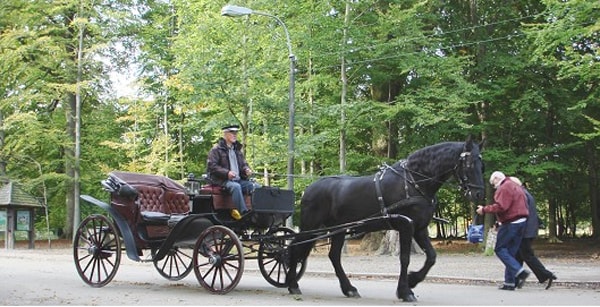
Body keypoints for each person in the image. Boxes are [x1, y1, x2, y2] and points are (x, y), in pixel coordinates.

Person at [476, 171, 530, 290]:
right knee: (511, 252)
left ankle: (519, 271)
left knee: (500, 249)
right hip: (521, 222)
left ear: (496, 178)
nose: (493, 186)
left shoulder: (505, 187)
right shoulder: (515, 186)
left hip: (511, 223)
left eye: (492, 183)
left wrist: (484, 209)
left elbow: (501, 207)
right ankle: (509, 283)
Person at [510, 176, 558, 290]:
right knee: (518, 256)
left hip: (524, 231)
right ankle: (515, 280)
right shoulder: (525, 193)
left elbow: (521, 214)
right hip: (528, 230)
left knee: (527, 255)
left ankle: (546, 275)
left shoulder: (521, 195)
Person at [206, 124, 256, 220]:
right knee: (235, 187)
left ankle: (257, 211)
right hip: (222, 181)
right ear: (225, 134)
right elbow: (212, 166)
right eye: (232, 133)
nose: (235, 135)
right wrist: (227, 173)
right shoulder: (216, 150)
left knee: (255, 187)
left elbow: (243, 165)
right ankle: (244, 213)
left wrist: (246, 170)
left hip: (238, 180)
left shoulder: (237, 151)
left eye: (236, 133)